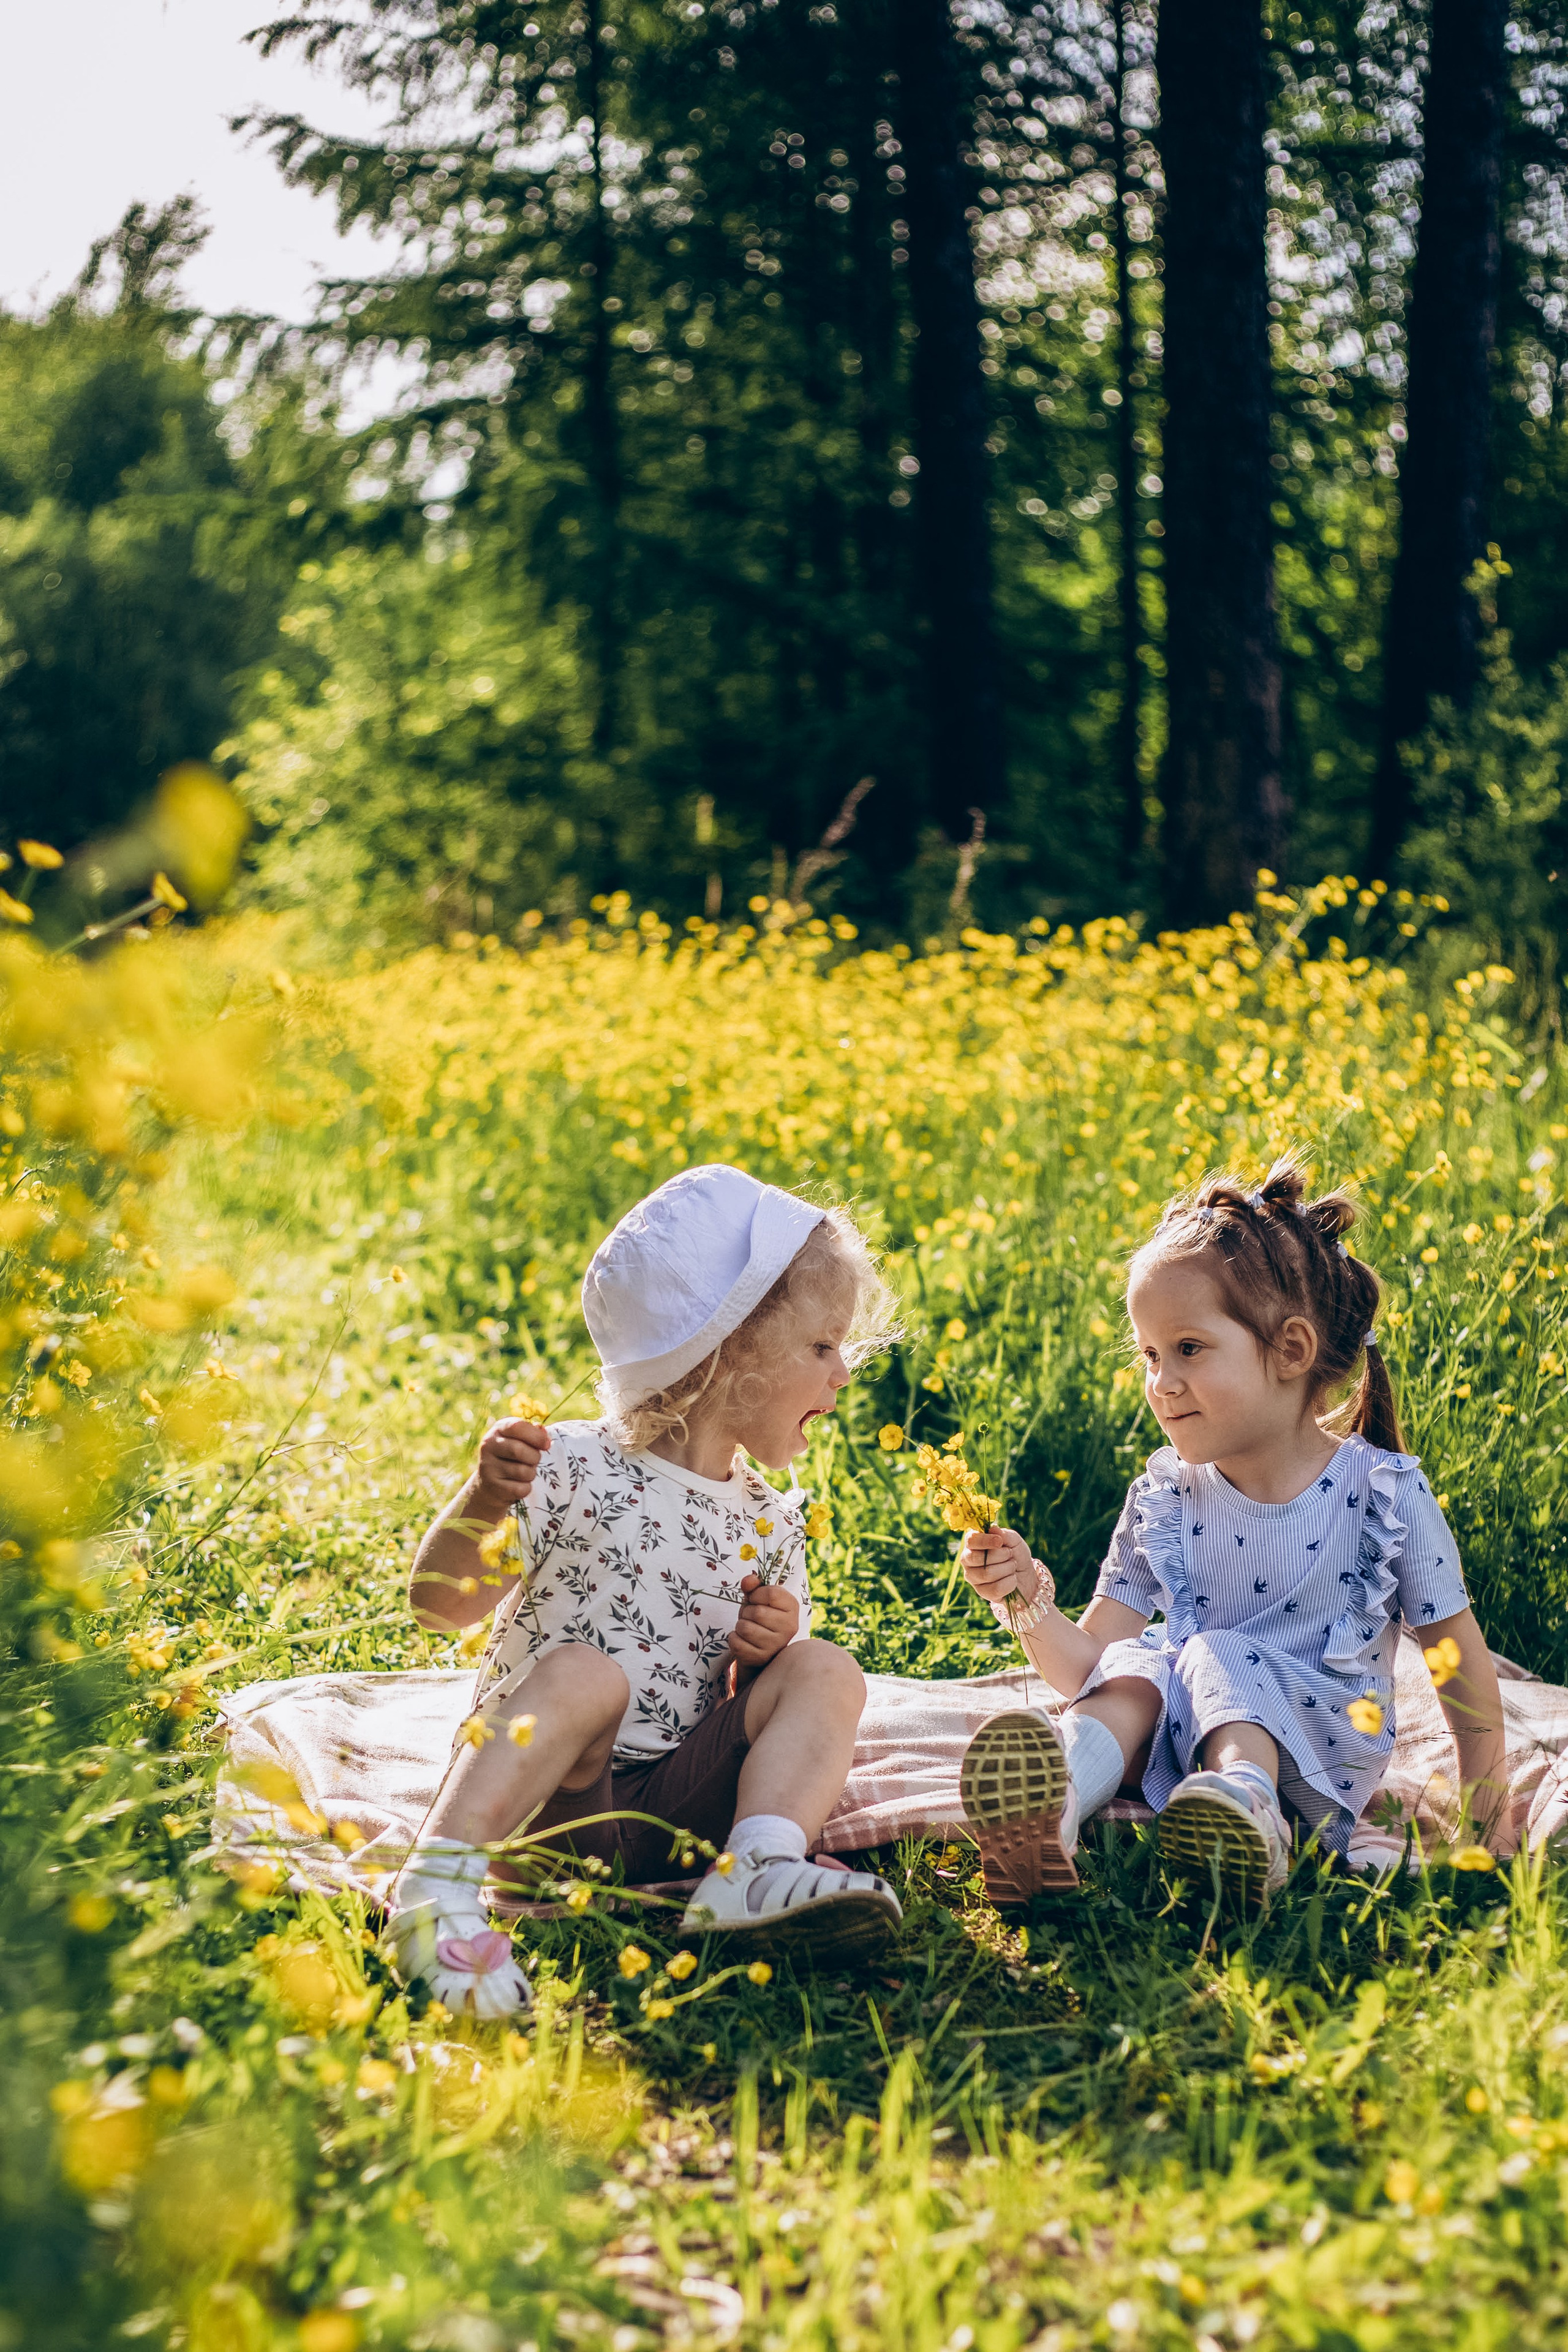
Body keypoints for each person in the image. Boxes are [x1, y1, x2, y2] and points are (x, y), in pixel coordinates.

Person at [386, 1163, 903, 2016]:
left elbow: (761, 1705)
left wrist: (765, 1655)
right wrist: (485, 1500)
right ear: (728, 1346)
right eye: (821, 1346)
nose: (842, 1373)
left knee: (825, 1669)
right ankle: (434, 1892)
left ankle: (758, 1865)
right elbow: (440, 1606)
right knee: (589, 1675)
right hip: (554, 1814)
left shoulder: (770, 1518)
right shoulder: (573, 1467)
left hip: (683, 1814)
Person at [956, 1159, 1510, 1909]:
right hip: (1188, 1740)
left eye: (1187, 1349)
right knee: (1141, 1667)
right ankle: (1049, 1807)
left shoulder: (1381, 1492)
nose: (1160, 1382)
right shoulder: (1165, 1495)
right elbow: (1089, 1668)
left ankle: (1247, 1813)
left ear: (1290, 1351)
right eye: (1149, 1355)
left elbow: (1453, 1655)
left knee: (1207, 1651)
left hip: (1319, 1756)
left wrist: (1485, 1807)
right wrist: (1024, 1601)